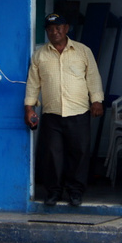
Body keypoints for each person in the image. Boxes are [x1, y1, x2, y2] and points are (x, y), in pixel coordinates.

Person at [24, 13, 104, 207]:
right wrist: (29, 108)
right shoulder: (40, 55)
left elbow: (93, 78)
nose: (55, 32)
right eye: (50, 29)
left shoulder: (83, 51)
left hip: (78, 112)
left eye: (58, 28)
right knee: (52, 155)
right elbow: (33, 84)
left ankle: (75, 192)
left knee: (79, 154)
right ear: (46, 31)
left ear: (66, 28)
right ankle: (53, 192)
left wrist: (97, 101)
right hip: (52, 114)